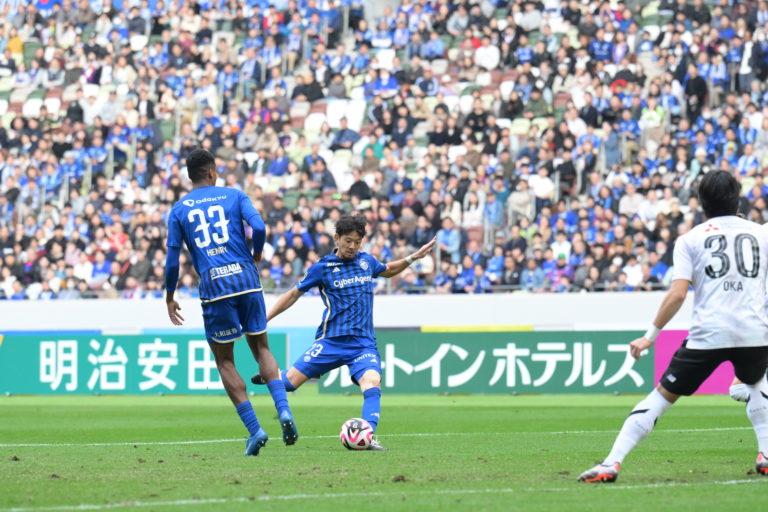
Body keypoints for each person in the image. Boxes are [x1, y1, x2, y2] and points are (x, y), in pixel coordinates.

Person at [579, 171, 768, 482]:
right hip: (754, 334)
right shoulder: (761, 234)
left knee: (660, 397)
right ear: (738, 198)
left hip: (708, 335)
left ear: (701, 202)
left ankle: (611, 463)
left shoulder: (690, 239)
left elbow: (678, 294)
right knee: (757, 382)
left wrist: (650, 336)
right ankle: (765, 454)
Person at [251, 214, 436, 450]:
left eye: (357, 242)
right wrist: (265, 318)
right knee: (289, 383)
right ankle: (274, 376)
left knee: (372, 382)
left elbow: (388, 270)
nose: (352, 246)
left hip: (362, 344)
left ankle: (367, 436)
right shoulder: (322, 268)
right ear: (336, 238)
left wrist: (412, 258)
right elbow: (293, 294)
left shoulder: (366, 262)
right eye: (348, 241)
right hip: (331, 341)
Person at [164, 149, 298, 456]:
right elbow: (260, 228)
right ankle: (283, 410)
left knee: (225, 360)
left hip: (215, 286)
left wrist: (170, 296)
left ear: (190, 176)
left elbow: (172, 260)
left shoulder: (179, 210)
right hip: (246, 279)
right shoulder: (234, 196)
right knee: (262, 347)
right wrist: (257, 254)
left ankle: (255, 430)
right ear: (212, 172)